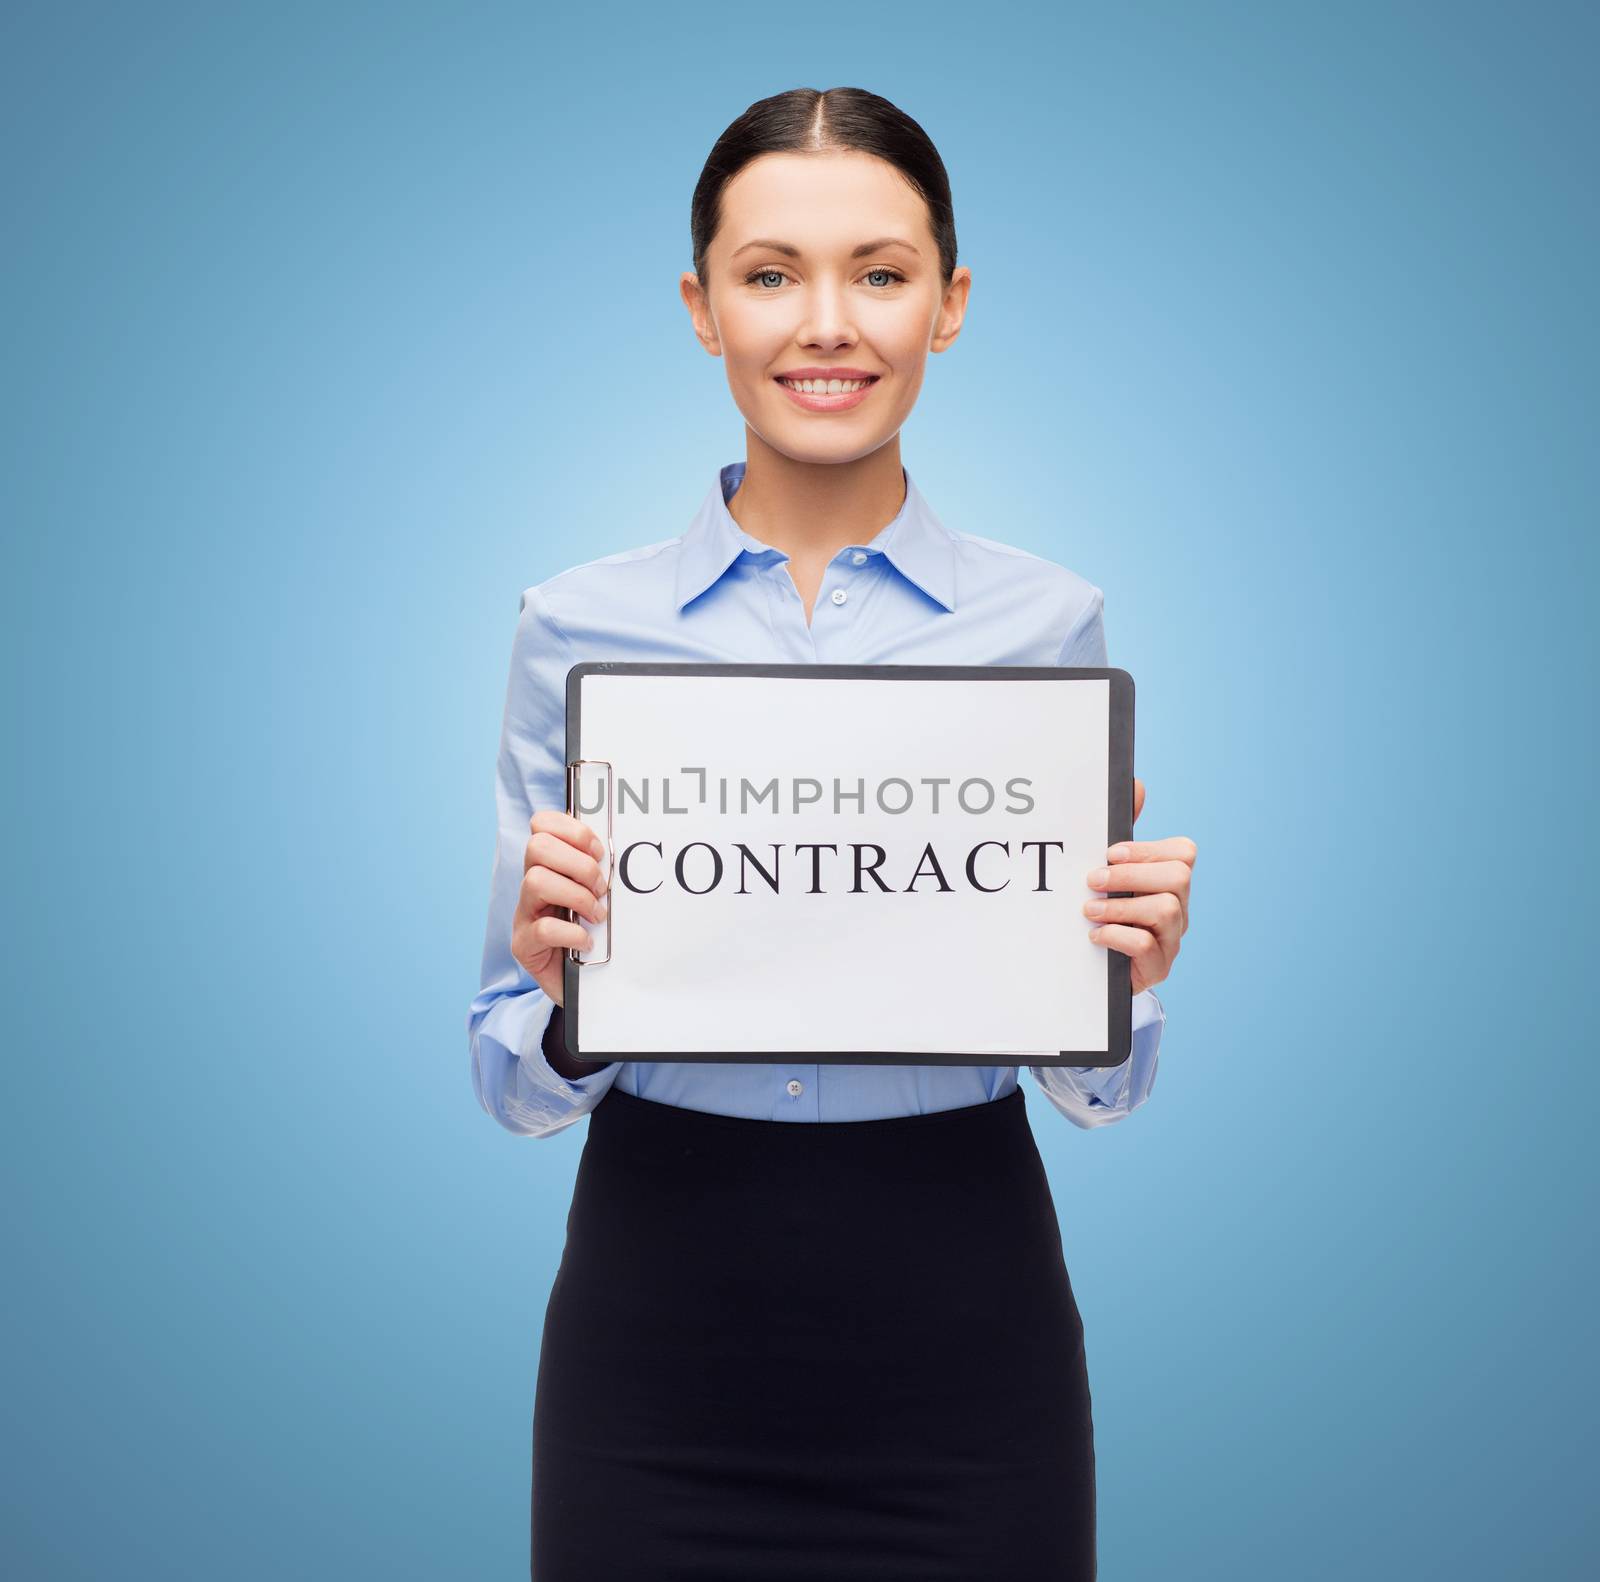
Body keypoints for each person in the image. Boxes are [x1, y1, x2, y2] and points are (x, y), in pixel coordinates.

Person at [467, 85, 1197, 1582]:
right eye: (768, 273)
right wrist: (561, 1000)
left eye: (880, 272)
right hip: (651, 1326)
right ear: (701, 305)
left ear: (949, 303)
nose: (826, 325)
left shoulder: (1050, 623)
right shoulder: (573, 627)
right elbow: (508, 1077)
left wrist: (1114, 974)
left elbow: (1102, 1091)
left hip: (967, 1323)